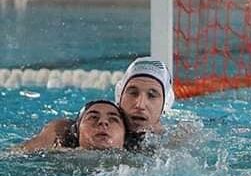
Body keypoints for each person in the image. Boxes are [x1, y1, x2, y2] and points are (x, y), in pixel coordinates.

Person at [16, 56, 174, 152]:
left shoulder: (170, 143)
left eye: (152, 95)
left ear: (164, 105)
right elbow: (17, 156)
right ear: (120, 96)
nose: (140, 104)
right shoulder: (63, 131)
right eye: (132, 93)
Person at [16, 100, 136, 152]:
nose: (103, 122)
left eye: (113, 119)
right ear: (76, 132)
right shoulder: (55, 158)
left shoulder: (141, 163)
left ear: (124, 135)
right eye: (93, 117)